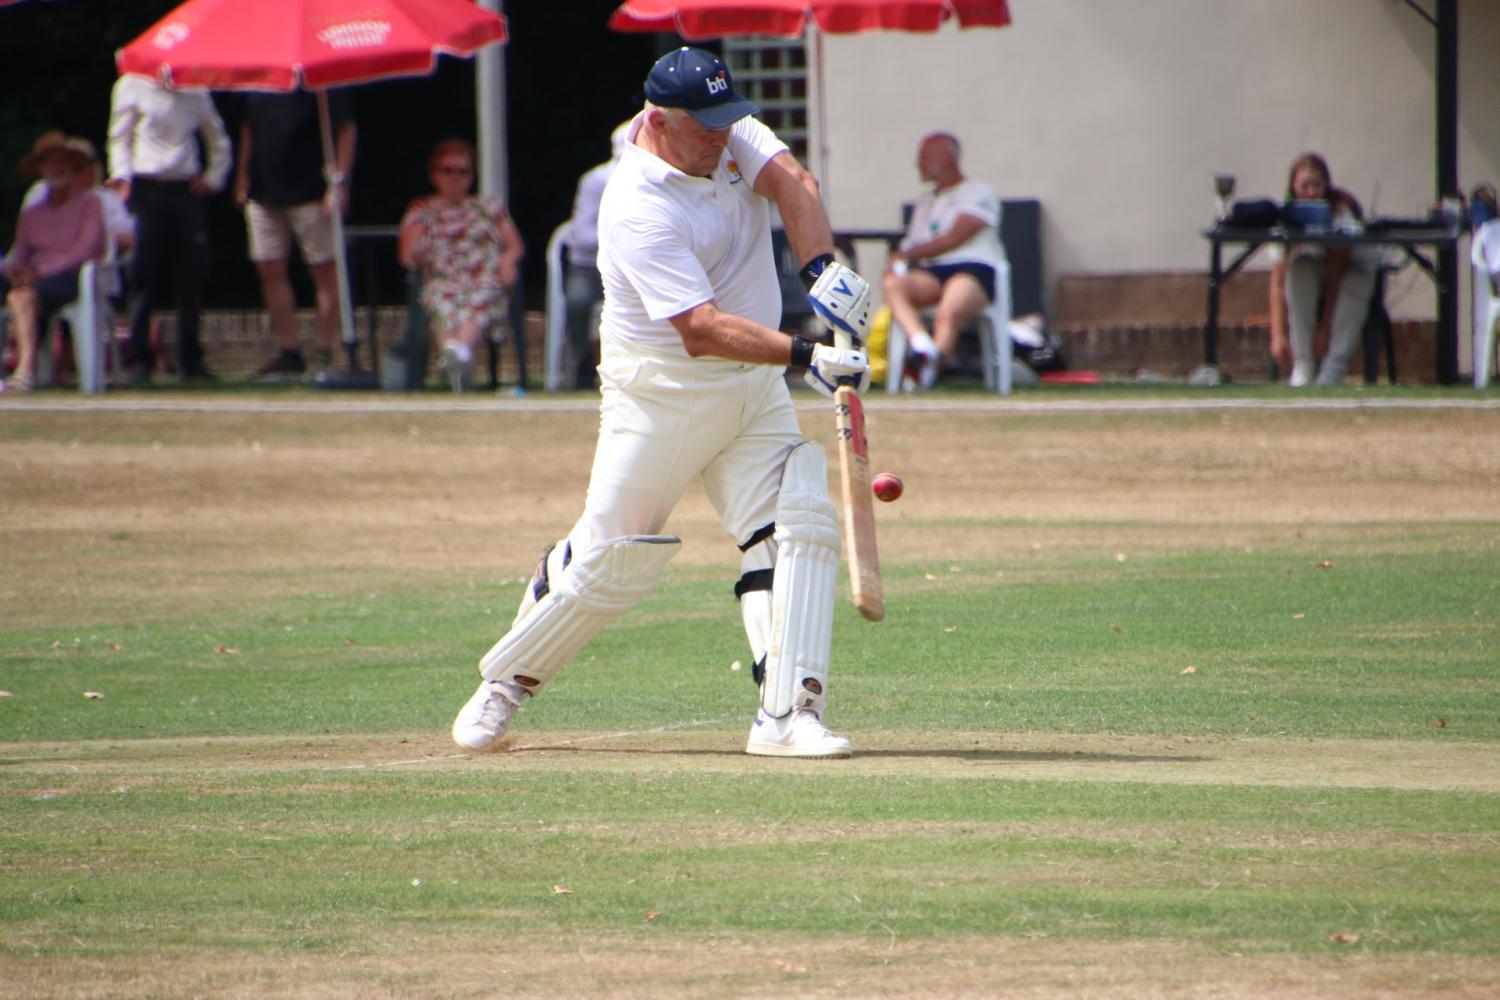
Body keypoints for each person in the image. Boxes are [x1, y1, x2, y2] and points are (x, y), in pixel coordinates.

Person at [448, 47, 872, 759]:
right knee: (608, 557)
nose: (720, 137)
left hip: (752, 388)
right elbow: (700, 331)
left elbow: (795, 182)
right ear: (659, 119)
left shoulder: (726, 127)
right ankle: (505, 683)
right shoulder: (636, 205)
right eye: (703, 127)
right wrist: (809, 355)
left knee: (794, 530)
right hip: (665, 395)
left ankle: (786, 715)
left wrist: (823, 272)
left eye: (725, 121)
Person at [106, 72, 232, 384]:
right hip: (146, 189)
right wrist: (121, 175)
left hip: (184, 190)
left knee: (190, 275)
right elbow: (120, 136)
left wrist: (213, 178)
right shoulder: (132, 85)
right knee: (141, 274)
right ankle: (140, 360)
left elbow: (218, 139)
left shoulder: (196, 90)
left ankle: (191, 360)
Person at [235, 90, 357, 382]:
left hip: (311, 191)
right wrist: (242, 175)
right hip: (264, 191)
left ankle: (323, 350)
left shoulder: (318, 84)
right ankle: (289, 351)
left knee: (323, 270)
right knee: (269, 267)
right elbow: (248, 127)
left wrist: (339, 183)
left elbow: (346, 128)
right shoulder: (258, 82)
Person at [881, 132, 1007, 392]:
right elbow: (914, 243)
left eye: (924, 156)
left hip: (974, 269)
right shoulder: (924, 201)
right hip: (932, 271)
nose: (918, 163)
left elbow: (954, 238)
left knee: (949, 311)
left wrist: (904, 255)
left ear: (947, 157)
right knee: (893, 284)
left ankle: (924, 376)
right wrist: (898, 260)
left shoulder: (979, 193)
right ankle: (922, 346)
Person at [397, 138, 524, 391]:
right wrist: (419, 239)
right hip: (442, 279)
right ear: (434, 174)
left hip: (483, 277)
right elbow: (407, 257)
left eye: (462, 171)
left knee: (482, 293)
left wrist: (508, 262)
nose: (455, 177)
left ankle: (456, 355)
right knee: (442, 298)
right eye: (448, 170)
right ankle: (459, 358)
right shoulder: (421, 210)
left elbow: (514, 245)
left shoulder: (488, 207)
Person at [1, 136, 106, 393]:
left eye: (62, 163)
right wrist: (13, 268)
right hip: (33, 276)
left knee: (22, 296)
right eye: (49, 164)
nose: (57, 169)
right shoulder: (32, 213)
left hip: (71, 277)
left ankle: (25, 371)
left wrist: (42, 271)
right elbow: (20, 253)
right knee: (16, 292)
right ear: (41, 171)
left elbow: (87, 250)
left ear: (72, 167)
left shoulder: (90, 204)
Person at [1267, 152, 1379, 387]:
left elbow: (1338, 273)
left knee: (1357, 279)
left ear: (1326, 185)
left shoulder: (1340, 212)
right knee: (1300, 266)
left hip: (1349, 272)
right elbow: (1277, 281)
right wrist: (1277, 336)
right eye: (1304, 186)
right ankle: (1303, 365)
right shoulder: (1285, 217)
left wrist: (1324, 330)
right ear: (1293, 187)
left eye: (1316, 185)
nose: (1311, 192)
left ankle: (1333, 369)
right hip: (1316, 273)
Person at [561, 120, 631, 390]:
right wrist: (629, 237)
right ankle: (582, 364)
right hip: (592, 268)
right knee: (577, 302)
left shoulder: (659, 179)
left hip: (636, 265)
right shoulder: (596, 181)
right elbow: (582, 236)